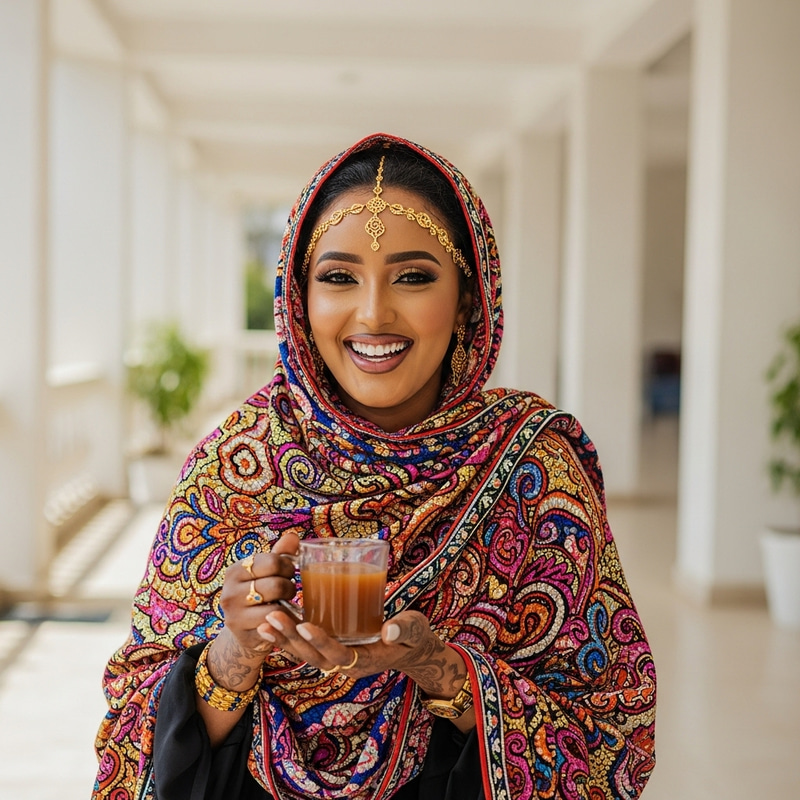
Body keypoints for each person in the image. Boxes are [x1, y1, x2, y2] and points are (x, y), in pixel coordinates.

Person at [93, 133, 656, 800]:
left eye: (414, 277)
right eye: (338, 277)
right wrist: (236, 654)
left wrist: (440, 669)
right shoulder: (235, 469)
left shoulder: (531, 471)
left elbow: (613, 736)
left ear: (470, 299)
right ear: (299, 299)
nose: (372, 314)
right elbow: (133, 738)